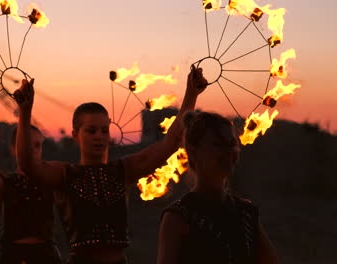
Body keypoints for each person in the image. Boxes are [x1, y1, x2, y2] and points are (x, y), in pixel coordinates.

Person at [14, 67, 208, 264]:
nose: (99, 136)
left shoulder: (122, 171)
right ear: (75, 135)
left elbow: (171, 143)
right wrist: (25, 111)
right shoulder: (66, 174)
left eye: (104, 130)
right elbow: (28, 163)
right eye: (91, 130)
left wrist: (191, 94)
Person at [156, 111, 280, 264]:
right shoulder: (178, 217)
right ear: (193, 151)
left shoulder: (246, 212)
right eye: (218, 145)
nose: (229, 152)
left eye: (232, 144)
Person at [0, 124, 61, 264]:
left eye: (37, 145)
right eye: (26, 145)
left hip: (47, 256)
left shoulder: (48, 180)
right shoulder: (6, 181)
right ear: (13, 149)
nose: (33, 150)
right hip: (15, 256)